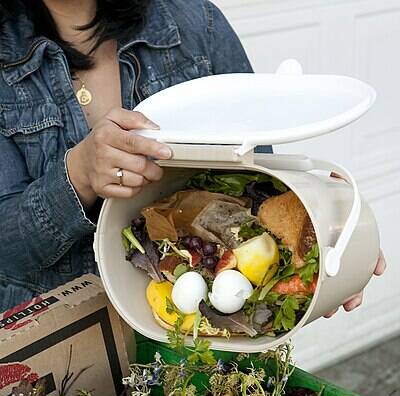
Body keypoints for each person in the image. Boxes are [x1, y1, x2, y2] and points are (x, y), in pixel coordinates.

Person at [0, 0, 384, 314]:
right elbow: (8, 253)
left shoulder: (198, 25)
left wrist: (325, 228)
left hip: (203, 342)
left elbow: (260, 182)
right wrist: (78, 175)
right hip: (60, 349)